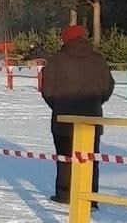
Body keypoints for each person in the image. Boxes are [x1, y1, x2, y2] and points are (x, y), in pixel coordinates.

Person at [40, 25, 114, 204]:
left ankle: (65, 195)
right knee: (90, 160)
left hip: (63, 119)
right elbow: (108, 86)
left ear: (66, 40)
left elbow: (47, 90)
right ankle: (90, 197)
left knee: (65, 159)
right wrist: (96, 103)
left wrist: (59, 106)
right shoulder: (98, 60)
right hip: (91, 119)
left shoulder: (56, 61)